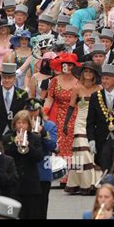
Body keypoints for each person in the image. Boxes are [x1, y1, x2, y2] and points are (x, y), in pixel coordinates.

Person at [64, 62, 102, 195]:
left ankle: (90, 183)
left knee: (91, 152)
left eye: (91, 72)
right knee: (82, 151)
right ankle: (85, 184)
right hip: (79, 122)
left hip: (93, 123)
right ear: (82, 73)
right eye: (86, 71)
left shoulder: (98, 88)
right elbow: (71, 107)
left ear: (94, 75)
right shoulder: (77, 88)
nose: (88, 74)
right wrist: (66, 124)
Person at [43, 53, 80, 185]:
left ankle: (71, 175)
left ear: (74, 66)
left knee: (71, 144)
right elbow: (49, 98)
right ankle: (60, 172)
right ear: (61, 66)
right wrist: (44, 113)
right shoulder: (54, 81)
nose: (68, 67)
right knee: (58, 143)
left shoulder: (78, 81)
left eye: (71, 65)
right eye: (65, 64)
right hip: (57, 115)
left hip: (74, 115)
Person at [87, 65, 114, 171]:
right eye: (103, 78)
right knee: (105, 168)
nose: (104, 81)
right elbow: (90, 121)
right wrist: (91, 140)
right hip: (102, 139)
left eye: (107, 78)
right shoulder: (95, 96)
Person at [1, 110, 44, 218]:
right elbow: (4, 157)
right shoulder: (7, 138)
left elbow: (39, 157)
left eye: (24, 123)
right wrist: (14, 145)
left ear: (29, 125)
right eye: (18, 123)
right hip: (14, 185)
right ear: (14, 125)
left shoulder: (35, 138)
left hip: (31, 184)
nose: (21, 126)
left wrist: (29, 147)